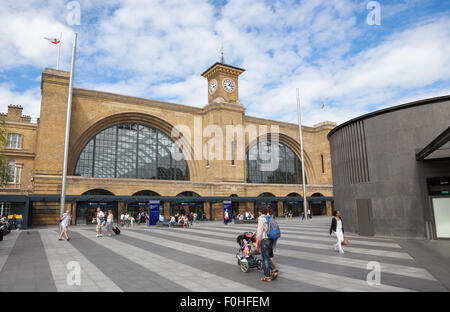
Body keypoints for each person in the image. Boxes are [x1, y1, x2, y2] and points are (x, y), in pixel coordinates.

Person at [254, 206, 277, 282]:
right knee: (267, 256)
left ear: (260, 211)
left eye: (258, 211)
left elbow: (260, 231)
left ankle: (267, 276)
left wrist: (257, 241)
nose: (258, 212)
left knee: (265, 259)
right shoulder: (269, 217)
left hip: (265, 240)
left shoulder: (261, 218)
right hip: (271, 239)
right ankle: (274, 269)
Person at [268, 208, 279, 275]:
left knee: (269, 254)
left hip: (271, 238)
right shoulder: (274, 220)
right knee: (270, 254)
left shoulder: (270, 220)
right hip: (274, 238)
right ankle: (275, 268)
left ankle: (274, 268)